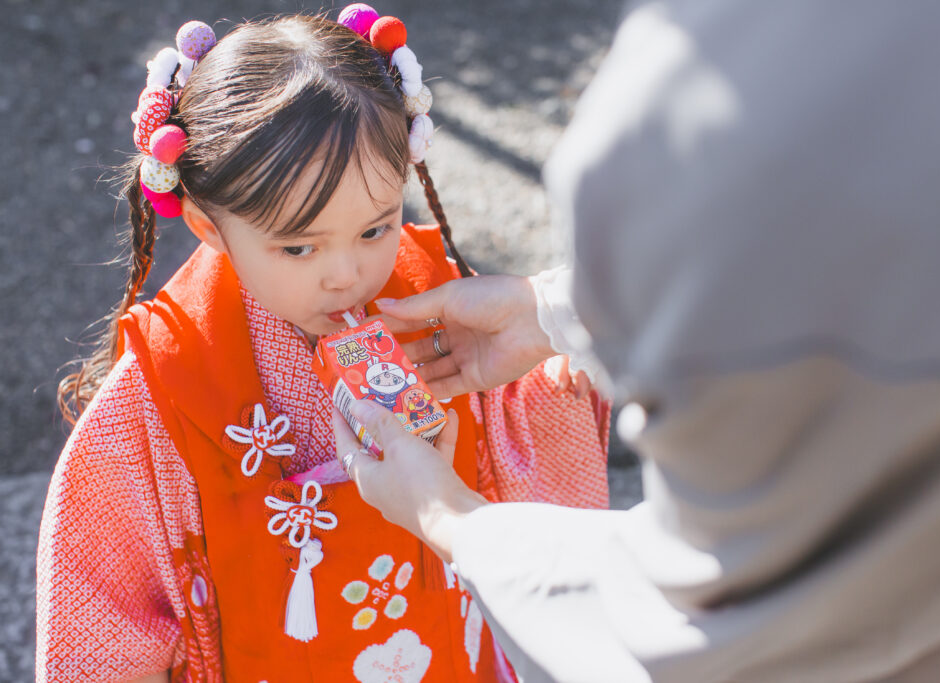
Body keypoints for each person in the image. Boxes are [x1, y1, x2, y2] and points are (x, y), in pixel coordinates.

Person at [335, 0, 940, 681]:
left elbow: (702, 629)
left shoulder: (669, 132)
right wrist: (553, 312)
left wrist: (449, 516)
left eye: (373, 228)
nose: (339, 273)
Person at [37, 10, 611, 682]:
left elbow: (539, 449)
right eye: (299, 245)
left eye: (376, 227)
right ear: (208, 224)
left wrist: (562, 349)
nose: (345, 273)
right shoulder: (170, 383)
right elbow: (102, 626)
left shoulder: (446, 315)